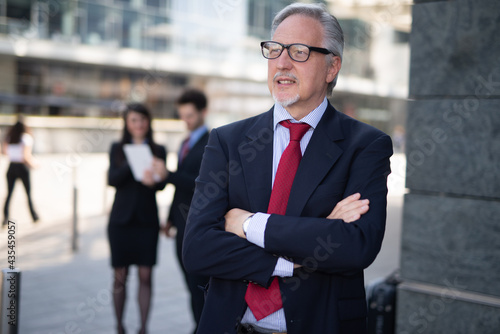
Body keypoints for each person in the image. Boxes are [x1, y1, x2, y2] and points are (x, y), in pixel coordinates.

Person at [182, 3, 393, 334]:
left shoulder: (366, 145)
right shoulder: (228, 141)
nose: (281, 62)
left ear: (332, 67)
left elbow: (356, 246)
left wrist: (250, 224)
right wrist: (299, 250)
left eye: (299, 51)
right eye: (274, 50)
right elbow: (197, 249)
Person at [107, 103, 167, 334]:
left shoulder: (158, 149)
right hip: (121, 221)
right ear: (127, 123)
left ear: (148, 122)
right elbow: (112, 179)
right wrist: (133, 161)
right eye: (134, 120)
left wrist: (156, 180)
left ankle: (143, 328)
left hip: (146, 221)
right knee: (119, 276)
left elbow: (162, 183)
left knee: (146, 276)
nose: (138, 124)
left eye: (142, 119)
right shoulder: (117, 148)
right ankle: (119, 326)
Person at [157, 88, 210, 333]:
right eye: (182, 115)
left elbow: (201, 183)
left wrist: (167, 175)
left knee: (199, 283)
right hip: (181, 221)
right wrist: (169, 218)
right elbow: (179, 187)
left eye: (190, 115)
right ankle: (198, 325)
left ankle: (202, 326)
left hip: (199, 225)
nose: (185, 120)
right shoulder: (184, 143)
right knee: (189, 283)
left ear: (203, 112)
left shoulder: (212, 142)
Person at [2, 115, 39, 227]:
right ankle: (34, 216)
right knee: (28, 194)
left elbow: (4, 152)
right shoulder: (26, 138)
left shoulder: (10, 138)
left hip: (11, 167)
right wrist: (35, 164)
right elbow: (26, 156)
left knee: (9, 194)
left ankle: (5, 218)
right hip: (22, 168)